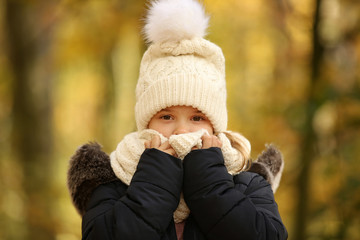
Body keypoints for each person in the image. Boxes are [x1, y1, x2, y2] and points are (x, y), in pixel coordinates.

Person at [67, 0, 288, 239]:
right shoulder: (114, 183)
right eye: (166, 116)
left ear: (214, 126)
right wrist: (153, 182)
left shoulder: (246, 182)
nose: (181, 131)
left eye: (196, 117)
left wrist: (211, 185)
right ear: (147, 122)